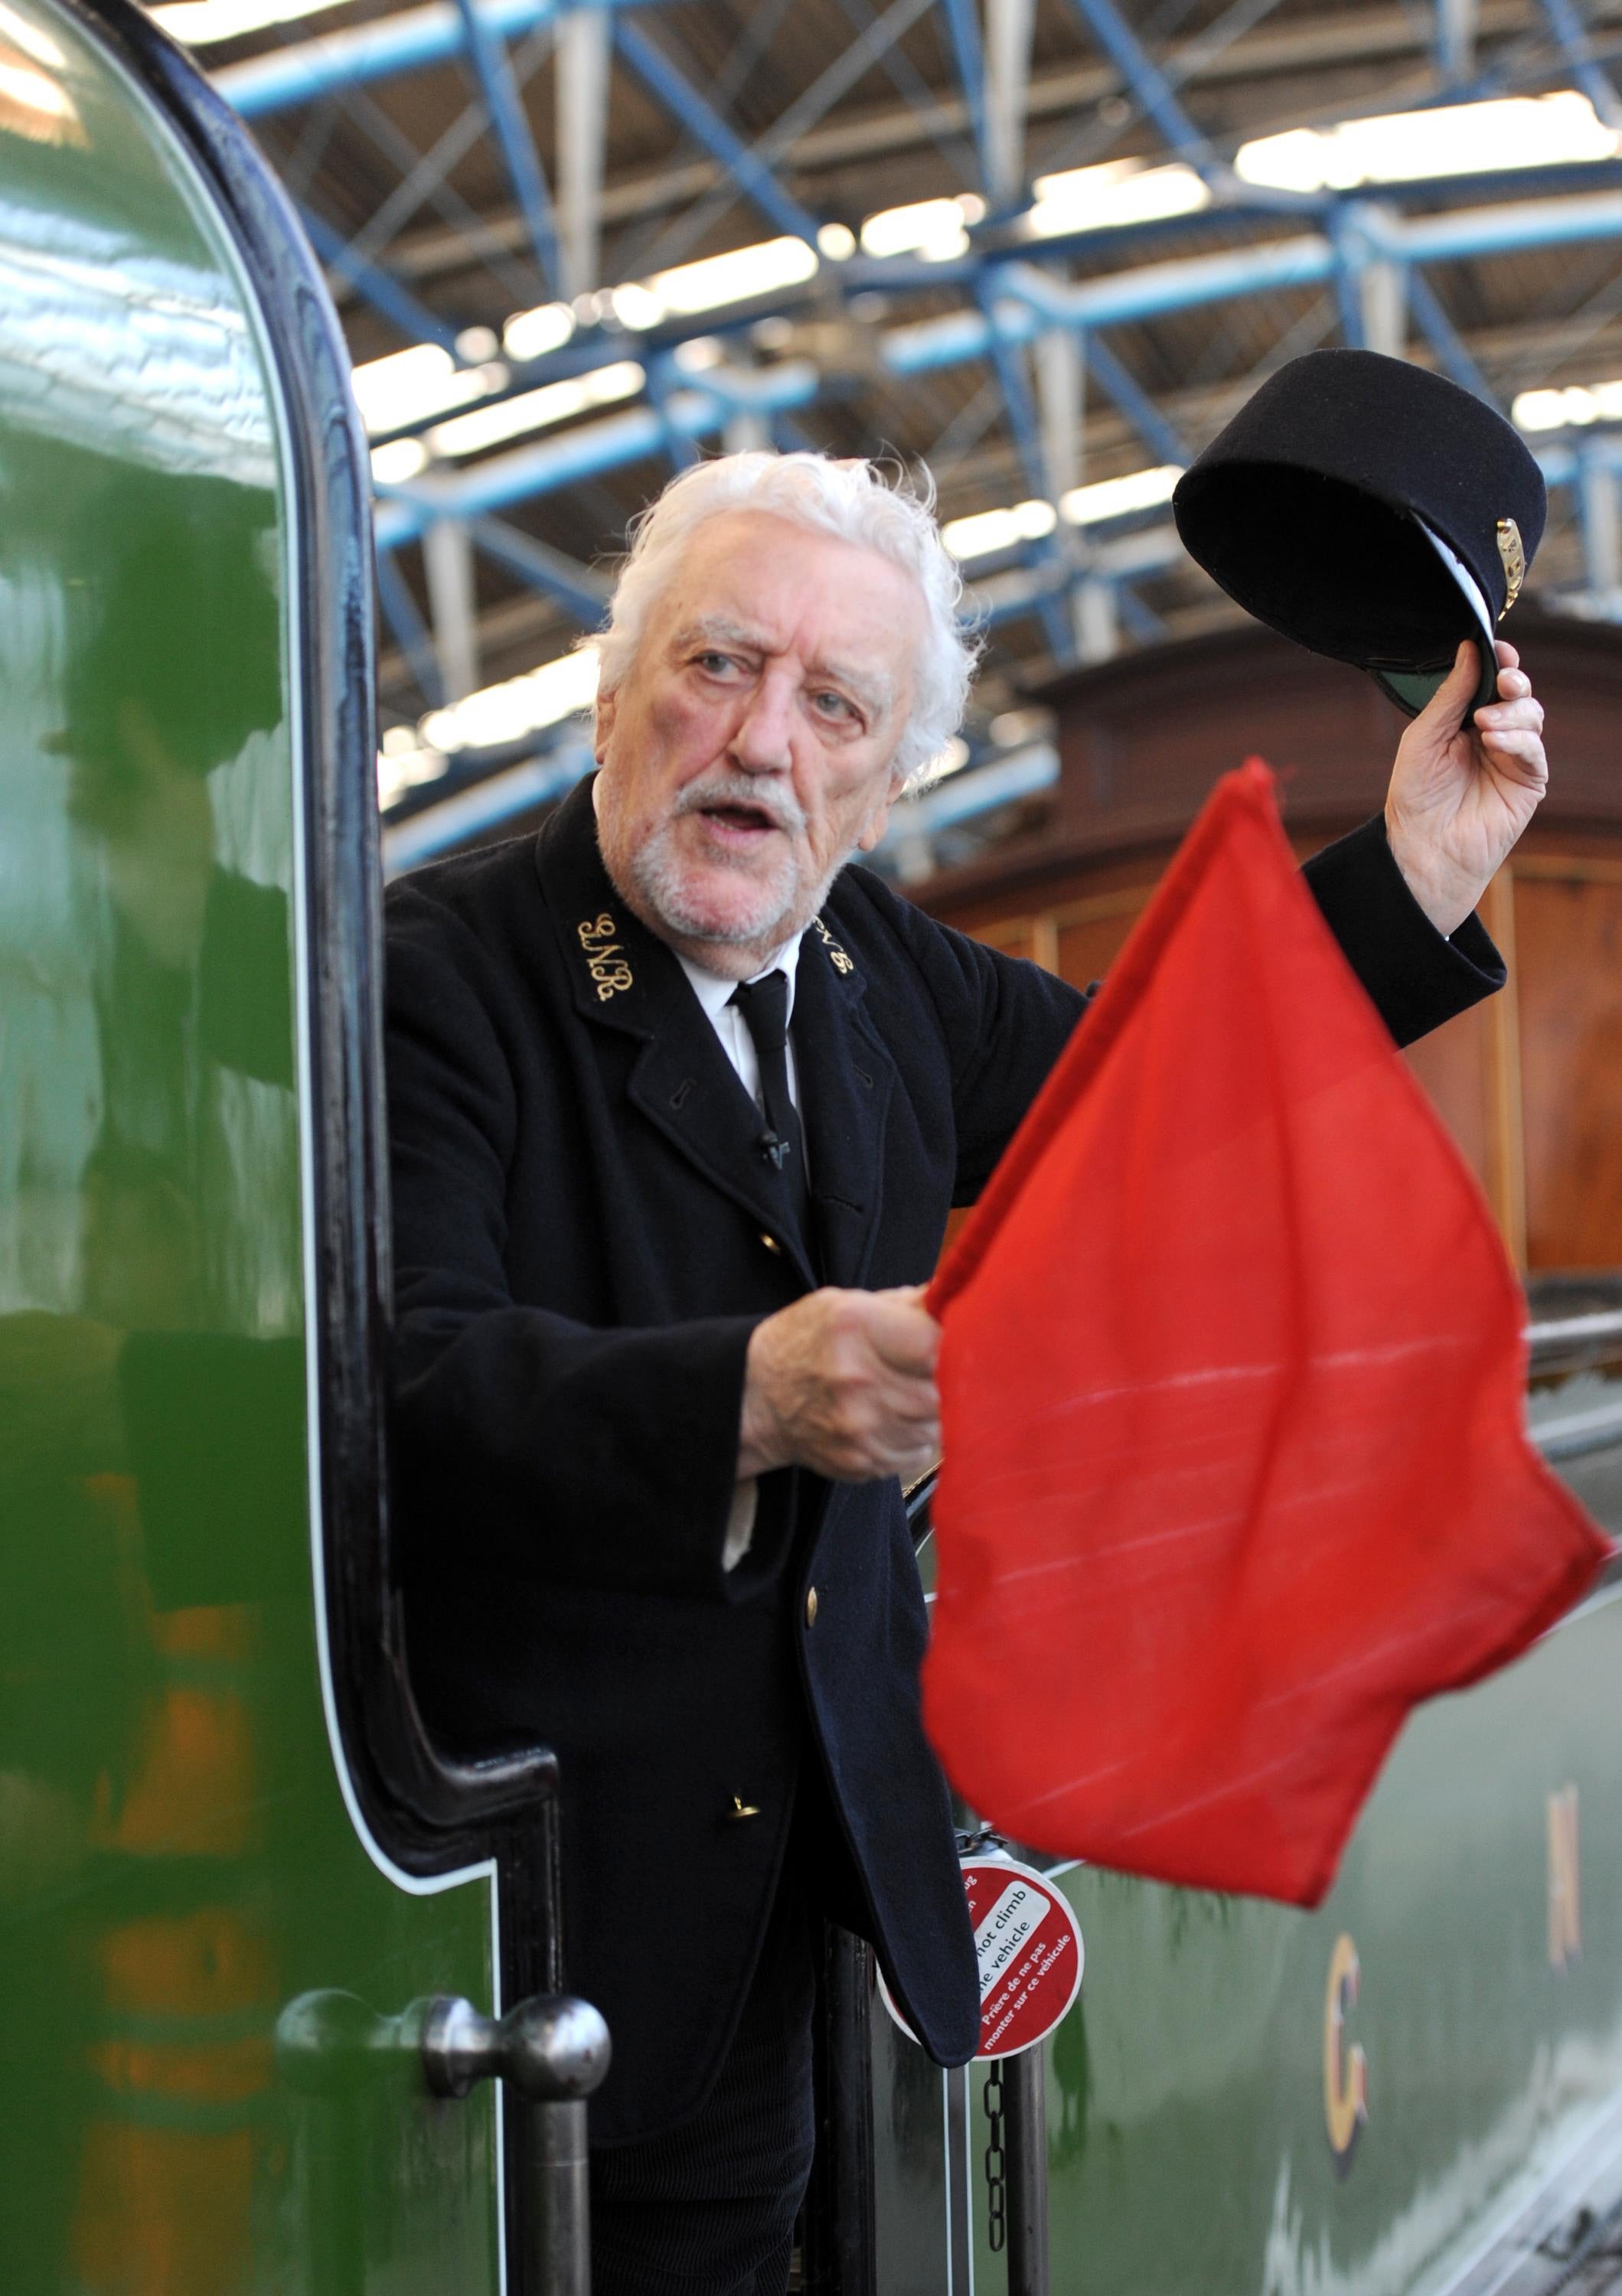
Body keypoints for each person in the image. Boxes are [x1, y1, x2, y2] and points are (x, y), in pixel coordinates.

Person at [383, 451, 1546, 2296]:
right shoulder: (433, 979)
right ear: (612, 697)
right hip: (536, 1981)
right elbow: (404, 1402)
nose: (760, 739)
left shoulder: (862, 967)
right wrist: (749, 1398)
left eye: (831, 702)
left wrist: (1421, 860)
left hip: (810, 1927)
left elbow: (1163, 1083)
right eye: (715, 666)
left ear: (887, 778)